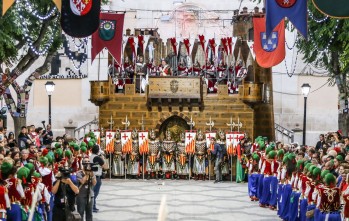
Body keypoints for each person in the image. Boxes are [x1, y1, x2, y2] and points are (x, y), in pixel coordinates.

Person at [76, 157, 97, 221]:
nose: (87, 163)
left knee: (89, 213)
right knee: (81, 212)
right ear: (83, 164)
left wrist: (92, 174)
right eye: (85, 162)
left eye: (88, 162)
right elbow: (82, 181)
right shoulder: (79, 173)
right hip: (81, 196)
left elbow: (94, 183)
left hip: (90, 195)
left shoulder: (91, 172)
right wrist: (87, 174)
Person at [89, 144, 107, 213]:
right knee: (95, 193)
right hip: (96, 177)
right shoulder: (97, 158)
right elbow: (105, 167)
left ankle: (93, 206)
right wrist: (102, 157)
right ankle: (92, 206)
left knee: (93, 192)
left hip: (92, 176)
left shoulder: (91, 156)